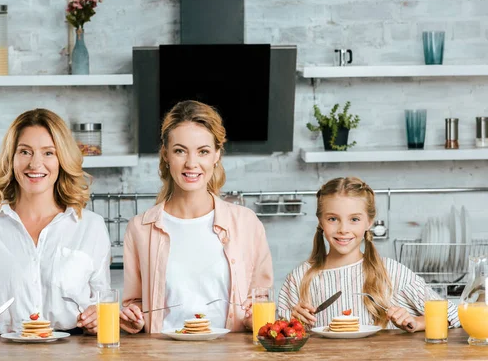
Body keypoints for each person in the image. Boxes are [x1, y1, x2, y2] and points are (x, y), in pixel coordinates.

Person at [0, 108, 111, 336]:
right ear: (11, 158)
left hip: (74, 352)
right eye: (25, 152)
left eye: (48, 153)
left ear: (62, 159)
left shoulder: (91, 227)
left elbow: (104, 300)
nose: (35, 164)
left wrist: (100, 317)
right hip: (1, 352)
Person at [120, 100, 273, 334]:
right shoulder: (140, 228)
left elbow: (261, 299)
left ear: (216, 155)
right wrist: (133, 318)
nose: (192, 163)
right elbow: (134, 304)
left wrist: (256, 318)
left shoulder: (246, 223)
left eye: (203, 151)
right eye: (180, 151)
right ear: (166, 154)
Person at [278, 177, 460, 332]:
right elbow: (280, 334)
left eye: (354, 219)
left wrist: (415, 322)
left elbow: (450, 314)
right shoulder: (300, 277)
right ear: (320, 221)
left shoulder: (390, 272)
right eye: (333, 219)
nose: (343, 229)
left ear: (369, 222)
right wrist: (293, 323)